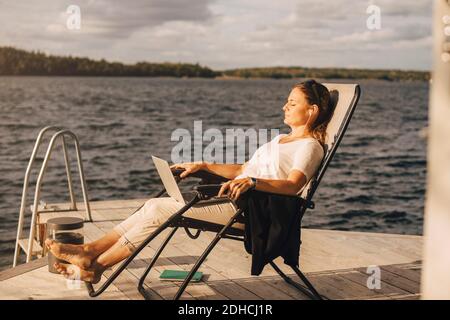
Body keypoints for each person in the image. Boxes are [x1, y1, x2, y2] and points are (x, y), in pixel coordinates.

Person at [46, 79, 334, 283]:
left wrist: (254, 183)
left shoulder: (309, 147)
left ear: (312, 111)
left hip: (256, 212)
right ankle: (92, 258)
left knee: (161, 210)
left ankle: (95, 261)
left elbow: (294, 185)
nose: (285, 106)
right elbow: (243, 169)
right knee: (154, 206)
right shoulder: (281, 139)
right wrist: (204, 165)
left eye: (293, 102)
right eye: (286, 100)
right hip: (237, 199)